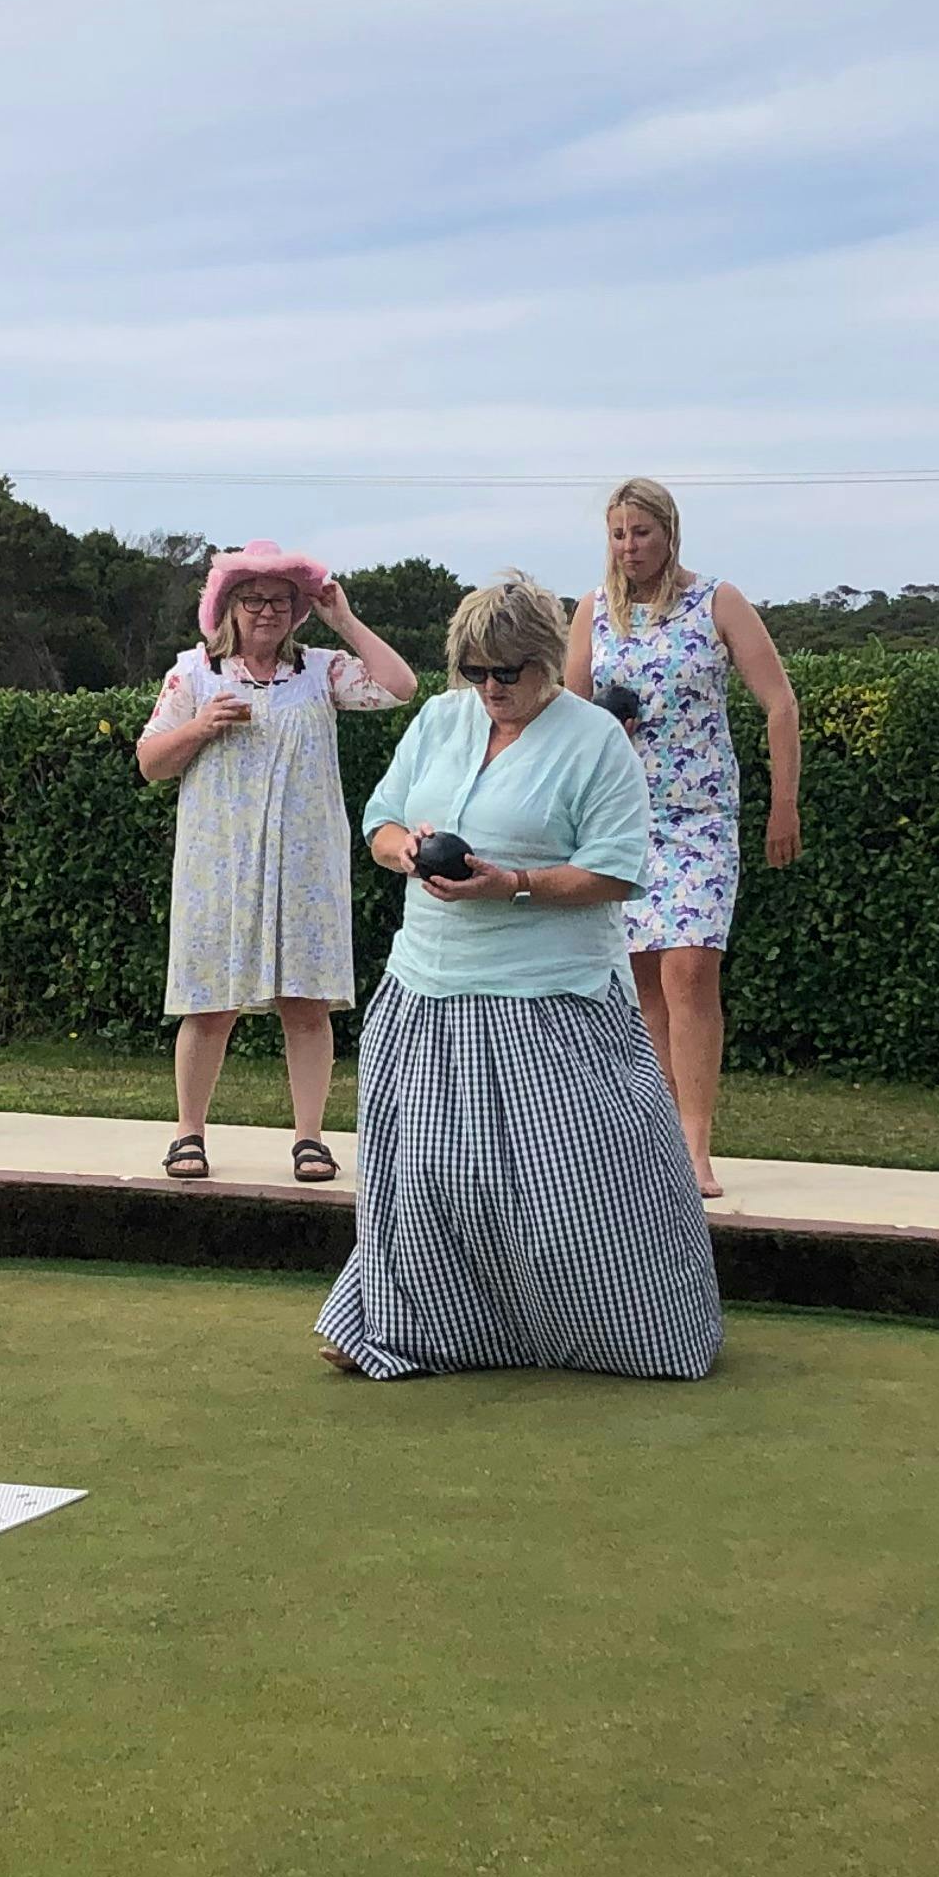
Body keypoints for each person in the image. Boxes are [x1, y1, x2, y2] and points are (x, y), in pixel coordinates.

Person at [317, 574, 721, 1380]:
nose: (491, 688)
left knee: (581, 1190)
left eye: (507, 672)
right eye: (475, 671)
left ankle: (627, 1335)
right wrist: (407, 851)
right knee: (426, 1184)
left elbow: (616, 871)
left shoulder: (596, 740)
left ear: (546, 660)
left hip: (553, 1000)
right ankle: (416, 1328)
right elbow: (380, 822)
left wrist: (514, 885)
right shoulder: (441, 719)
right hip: (425, 989)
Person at [135, 542, 415, 1184]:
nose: (267, 612)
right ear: (228, 607)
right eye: (254, 599)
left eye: (281, 601)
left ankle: (310, 1138)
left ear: (297, 610)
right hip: (219, 864)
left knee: (307, 1003)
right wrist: (201, 726)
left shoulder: (320, 670)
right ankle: (188, 1132)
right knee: (209, 1002)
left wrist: (343, 618)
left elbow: (400, 687)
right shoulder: (194, 674)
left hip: (305, 867)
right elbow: (150, 763)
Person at [561, 477, 803, 1199]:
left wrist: (783, 805)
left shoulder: (717, 601)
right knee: (641, 984)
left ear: (669, 532)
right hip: (621, 819)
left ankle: (696, 1145)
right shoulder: (594, 611)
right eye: (618, 533)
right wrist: (603, 727)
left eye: (642, 532)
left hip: (700, 816)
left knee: (691, 969)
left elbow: (780, 702)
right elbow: (567, 716)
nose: (629, 546)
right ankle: (658, 1142)